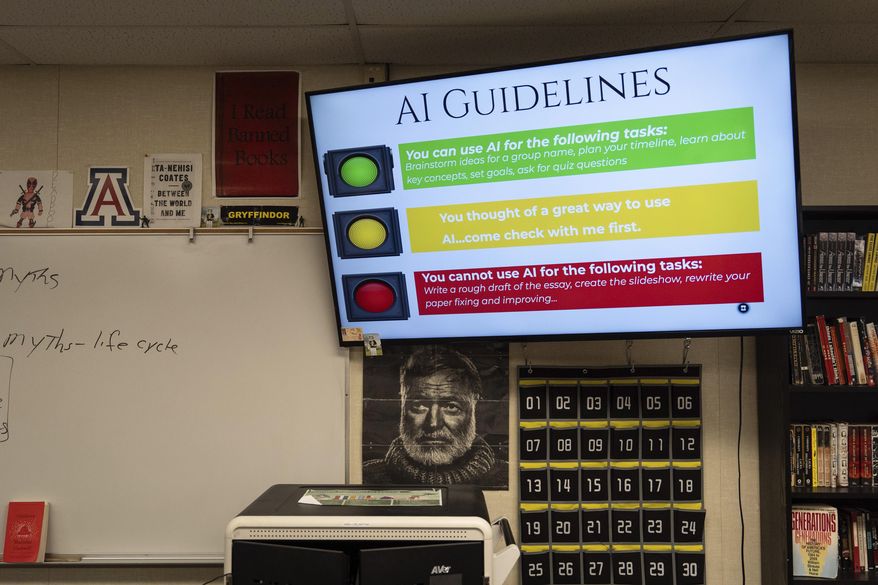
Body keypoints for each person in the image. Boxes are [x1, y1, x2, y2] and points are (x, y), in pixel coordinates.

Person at [363, 346, 506, 486]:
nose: (433, 423)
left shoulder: (506, 477)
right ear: (402, 405)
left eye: (451, 407)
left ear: (475, 407)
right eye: (418, 406)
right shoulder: (366, 478)